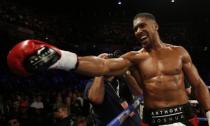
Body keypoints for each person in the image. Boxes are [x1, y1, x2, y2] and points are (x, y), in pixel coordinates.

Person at [7, 12, 210, 125]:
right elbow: (104, 65)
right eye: (135, 29)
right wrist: (61, 59)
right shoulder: (135, 57)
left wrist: (209, 112)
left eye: (142, 25)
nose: (138, 31)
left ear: (155, 25)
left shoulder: (179, 52)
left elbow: (198, 84)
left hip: (184, 115)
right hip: (153, 119)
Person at [84, 53, 142, 126]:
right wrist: (100, 69)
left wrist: (124, 69)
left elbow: (139, 93)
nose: (109, 64)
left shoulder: (122, 79)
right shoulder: (93, 83)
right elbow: (96, 99)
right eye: (106, 63)